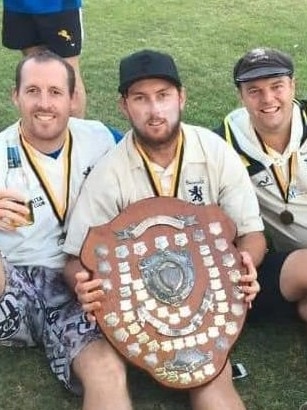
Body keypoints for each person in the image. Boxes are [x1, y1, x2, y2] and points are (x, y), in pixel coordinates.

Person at [63, 49, 266, 410]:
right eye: (140, 99)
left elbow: (252, 234)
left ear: (182, 97)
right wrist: (83, 283)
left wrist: (246, 261)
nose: (154, 111)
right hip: (133, 316)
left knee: (212, 388)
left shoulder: (214, 151)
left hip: (206, 306)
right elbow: (75, 259)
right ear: (123, 106)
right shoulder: (109, 172)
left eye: (163, 96)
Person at [0, 50, 123, 410]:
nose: (44, 103)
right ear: (15, 96)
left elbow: (152, 162)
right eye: (33, 91)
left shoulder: (103, 139)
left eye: (55, 92)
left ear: (73, 98)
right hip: (14, 284)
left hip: (79, 286)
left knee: (107, 370)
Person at [215, 47, 307, 322]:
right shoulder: (222, 148)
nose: (268, 99)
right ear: (240, 95)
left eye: (276, 86)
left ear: (293, 85)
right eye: (254, 90)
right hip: (296, 263)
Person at [2, 0, 86, 118]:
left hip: (59, 7)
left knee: (68, 74)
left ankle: (76, 133)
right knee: (34, 70)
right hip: (18, 5)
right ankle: (40, 131)